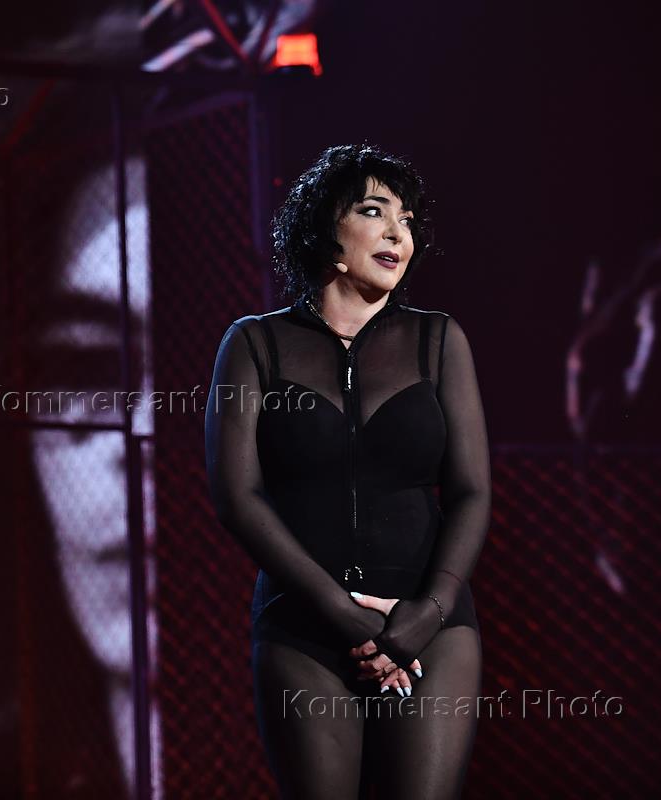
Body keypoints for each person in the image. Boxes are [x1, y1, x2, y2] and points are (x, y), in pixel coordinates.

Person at [204, 144, 490, 799]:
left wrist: (426, 614)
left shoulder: (438, 339)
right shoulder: (254, 343)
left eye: (407, 220)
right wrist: (340, 612)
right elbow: (236, 496)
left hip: (428, 625)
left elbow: (472, 492)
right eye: (374, 212)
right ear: (324, 228)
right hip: (304, 624)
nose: (398, 233)